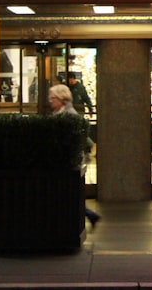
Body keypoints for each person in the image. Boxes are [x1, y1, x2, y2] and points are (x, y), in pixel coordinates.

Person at [49, 85, 102, 229]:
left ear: (62, 99)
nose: (50, 101)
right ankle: (89, 214)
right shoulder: (60, 113)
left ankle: (88, 215)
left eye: (53, 98)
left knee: (68, 194)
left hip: (69, 161)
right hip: (66, 160)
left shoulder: (69, 115)